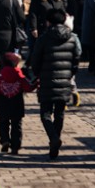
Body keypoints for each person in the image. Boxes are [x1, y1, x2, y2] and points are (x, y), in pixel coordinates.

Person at [29, 9, 81, 160]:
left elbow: (35, 60)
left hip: (47, 80)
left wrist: (37, 73)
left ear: (49, 22)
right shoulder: (72, 38)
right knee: (59, 114)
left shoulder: (44, 38)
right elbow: (76, 58)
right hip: (65, 80)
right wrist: (70, 74)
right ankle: (55, 141)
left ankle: (53, 138)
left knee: (45, 113)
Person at [0, 52, 33, 154]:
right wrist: (36, 84)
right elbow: (28, 87)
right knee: (16, 125)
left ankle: (5, 140)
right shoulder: (20, 76)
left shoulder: (1, 78)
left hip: (3, 104)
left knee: (3, 123)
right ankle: (15, 146)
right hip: (17, 104)